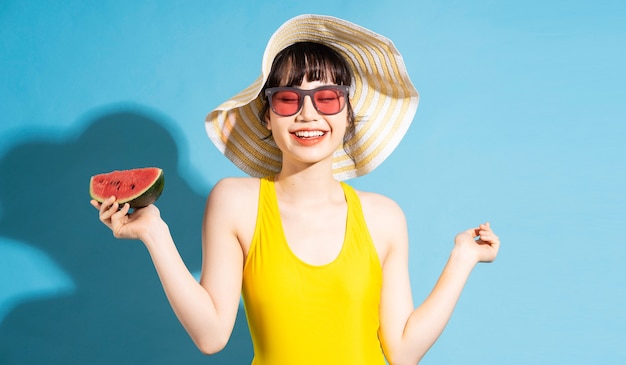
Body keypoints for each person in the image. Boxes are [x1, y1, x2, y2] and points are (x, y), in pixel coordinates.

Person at [91, 14, 500, 365]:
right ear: (267, 117)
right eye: (288, 99)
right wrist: (154, 234)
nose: (308, 114)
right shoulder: (235, 203)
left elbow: (404, 351)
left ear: (346, 114)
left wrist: (462, 258)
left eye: (327, 98)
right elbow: (211, 335)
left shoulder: (384, 216)